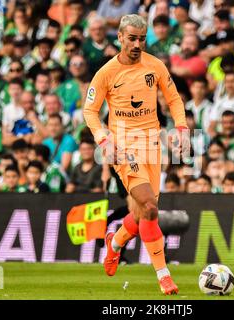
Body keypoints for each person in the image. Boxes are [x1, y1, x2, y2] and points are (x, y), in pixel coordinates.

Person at [83, 14, 189, 295]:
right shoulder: (106, 72)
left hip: (153, 146)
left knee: (143, 210)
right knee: (150, 208)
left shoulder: (154, 66)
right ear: (119, 37)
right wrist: (103, 139)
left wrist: (181, 126)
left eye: (142, 39)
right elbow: (89, 111)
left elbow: (174, 98)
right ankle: (164, 276)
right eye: (132, 38)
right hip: (123, 148)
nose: (137, 44)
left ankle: (115, 241)